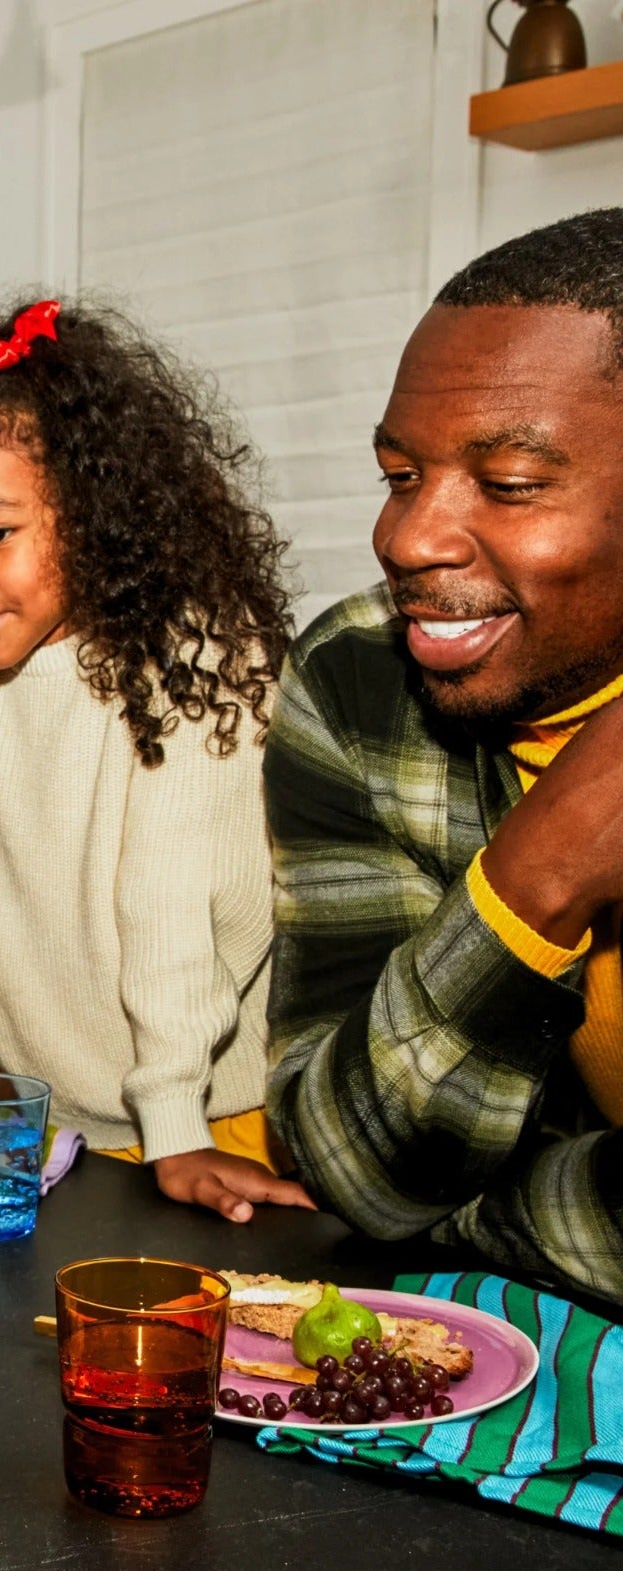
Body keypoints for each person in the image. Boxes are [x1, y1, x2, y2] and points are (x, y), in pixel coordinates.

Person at [0, 295, 313, 1222]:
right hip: (66, 1126)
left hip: (211, 1124)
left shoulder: (194, 655)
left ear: (97, 508)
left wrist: (175, 1124)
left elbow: (175, 905)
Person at [267, 208, 623, 1306]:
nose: (409, 538)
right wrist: (538, 871)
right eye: (398, 473)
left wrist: (483, 1208)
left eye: (509, 483)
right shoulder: (361, 678)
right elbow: (344, 1164)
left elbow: (407, 1193)